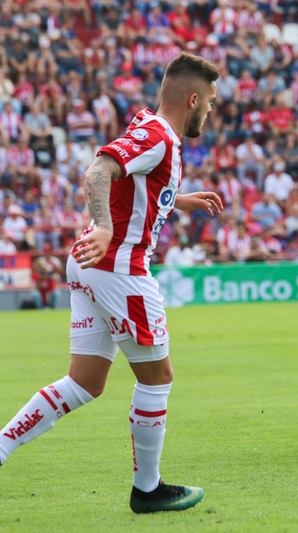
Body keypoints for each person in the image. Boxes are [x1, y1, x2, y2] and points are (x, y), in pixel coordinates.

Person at [0, 52, 223, 513]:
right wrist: (103, 226)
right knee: (157, 377)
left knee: (84, 382)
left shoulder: (152, 129)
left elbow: (134, 183)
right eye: (210, 101)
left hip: (89, 266)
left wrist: (177, 199)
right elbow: (99, 170)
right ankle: (148, 490)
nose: (210, 110)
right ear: (193, 99)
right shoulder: (158, 135)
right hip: (118, 269)